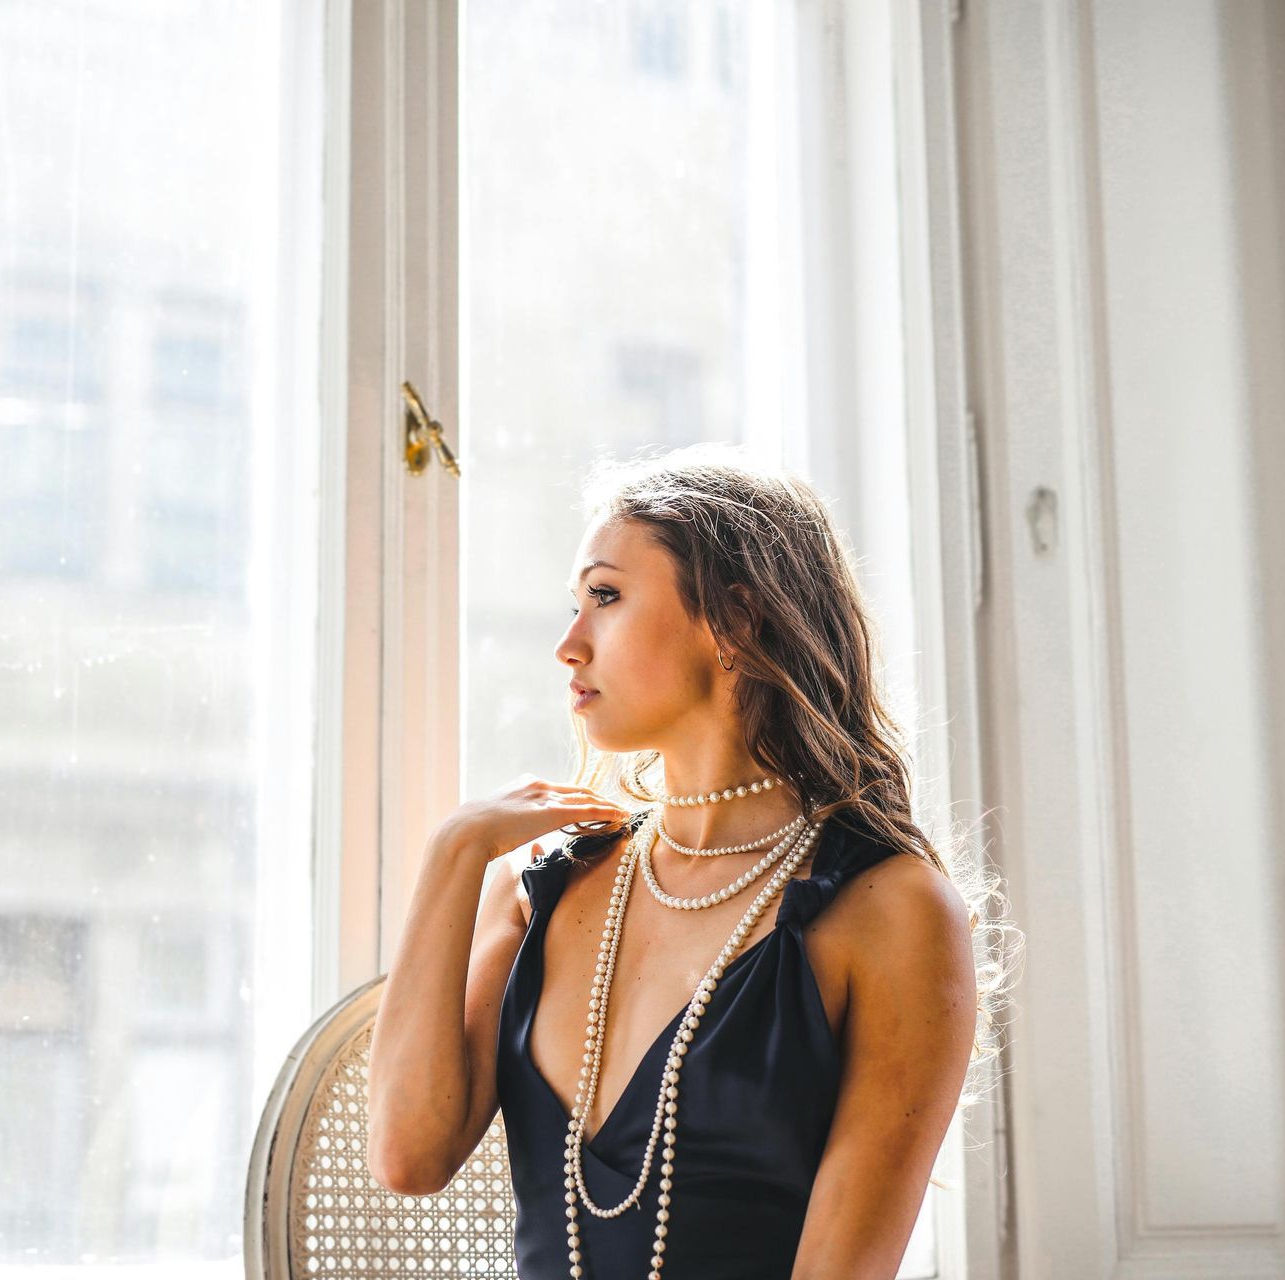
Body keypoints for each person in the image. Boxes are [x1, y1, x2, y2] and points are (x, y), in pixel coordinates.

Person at [367, 445, 1009, 1278]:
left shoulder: (889, 911)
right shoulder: (540, 892)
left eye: (605, 597)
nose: (568, 644)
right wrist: (452, 856)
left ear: (734, 621)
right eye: (575, 605)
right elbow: (407, 1158)